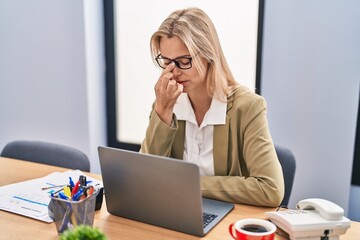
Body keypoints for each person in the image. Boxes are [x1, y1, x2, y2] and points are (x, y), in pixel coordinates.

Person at [140, 7, 284, 207]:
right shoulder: (166, 102)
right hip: (175, 214)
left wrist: (189, 185)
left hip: (226, 223)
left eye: (183, 61)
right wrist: (162, 112)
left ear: (208, 54)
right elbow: (144, 179)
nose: (174, 72)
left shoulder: (248, 107)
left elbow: (271, 189)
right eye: (166, 62)